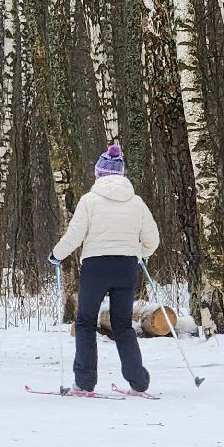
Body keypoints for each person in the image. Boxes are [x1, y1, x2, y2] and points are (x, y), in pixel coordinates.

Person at [50, 143, 161, 394]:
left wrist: (56, 255)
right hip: (126, 267)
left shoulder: (89, 201)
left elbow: (74, 235)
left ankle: (85, 382)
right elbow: (153, 240)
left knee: (86, 322)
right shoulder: (137, 203)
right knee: (122, 325)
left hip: (95, 268)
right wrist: (138, 255)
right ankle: (139, 382)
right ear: (122, 175)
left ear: (99, 175)